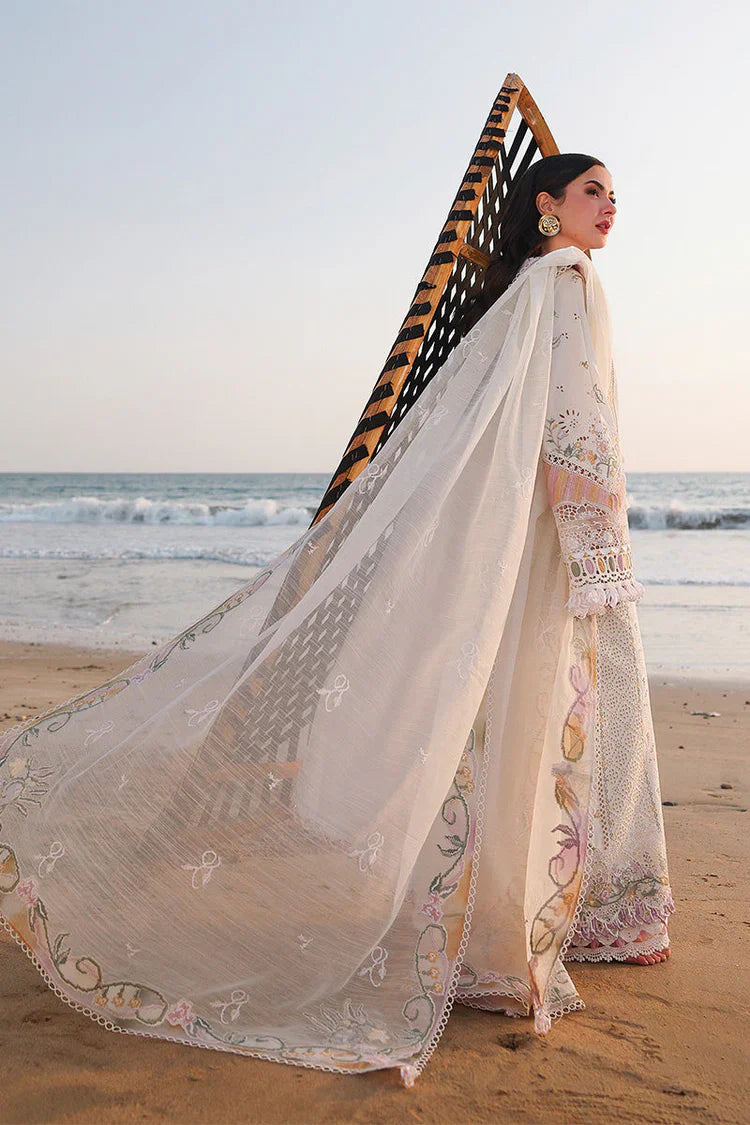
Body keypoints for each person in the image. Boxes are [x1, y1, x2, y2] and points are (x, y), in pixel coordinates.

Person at [0, 153, 672, 1084]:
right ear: (547, 205)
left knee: (511, 719)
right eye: (593, 191)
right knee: (533, 715)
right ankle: (511, 938)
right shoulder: (567, 282)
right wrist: (597, 552)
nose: (610, 208)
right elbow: (574, 424)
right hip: (550, 537)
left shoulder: (528, 286)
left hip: (516, 537)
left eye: (615, 196)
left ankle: (499, 931)